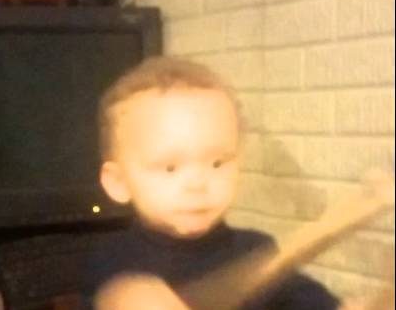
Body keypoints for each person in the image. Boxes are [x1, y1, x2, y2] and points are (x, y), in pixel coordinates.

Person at [82, 56, 358, 310]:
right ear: (119, 183)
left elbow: (308, 301)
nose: (198, 183)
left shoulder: (256, 250)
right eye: (170, 167)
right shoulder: (112, 262)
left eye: (217, 163)